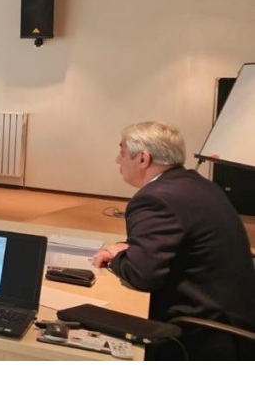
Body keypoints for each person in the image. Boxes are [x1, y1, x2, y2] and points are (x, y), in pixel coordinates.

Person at [91, 122, 255, 360]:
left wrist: (117, 255)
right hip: (235, 316)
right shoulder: (198, 184)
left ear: (143, 158)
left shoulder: (155, 199)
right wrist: (132, 249)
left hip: (203, 336)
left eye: (122, 153)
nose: (118, 160)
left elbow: (141, 275)